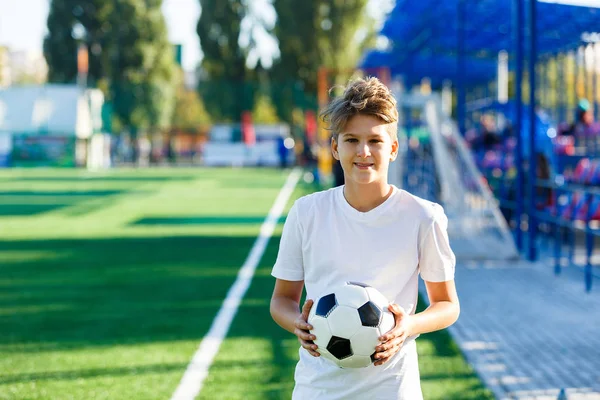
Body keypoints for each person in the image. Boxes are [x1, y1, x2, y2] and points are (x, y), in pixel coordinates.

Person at [269, 77, 460, 399]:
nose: (363, 152)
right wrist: (297, 325)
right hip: (318, 390)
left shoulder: (423, 217)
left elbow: (447, 305)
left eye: (375, 140)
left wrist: (408, 327)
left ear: (394, 148)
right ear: (335, 147)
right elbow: (282, 300)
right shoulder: (307, 213)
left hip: (392, 389)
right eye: (352, 140)